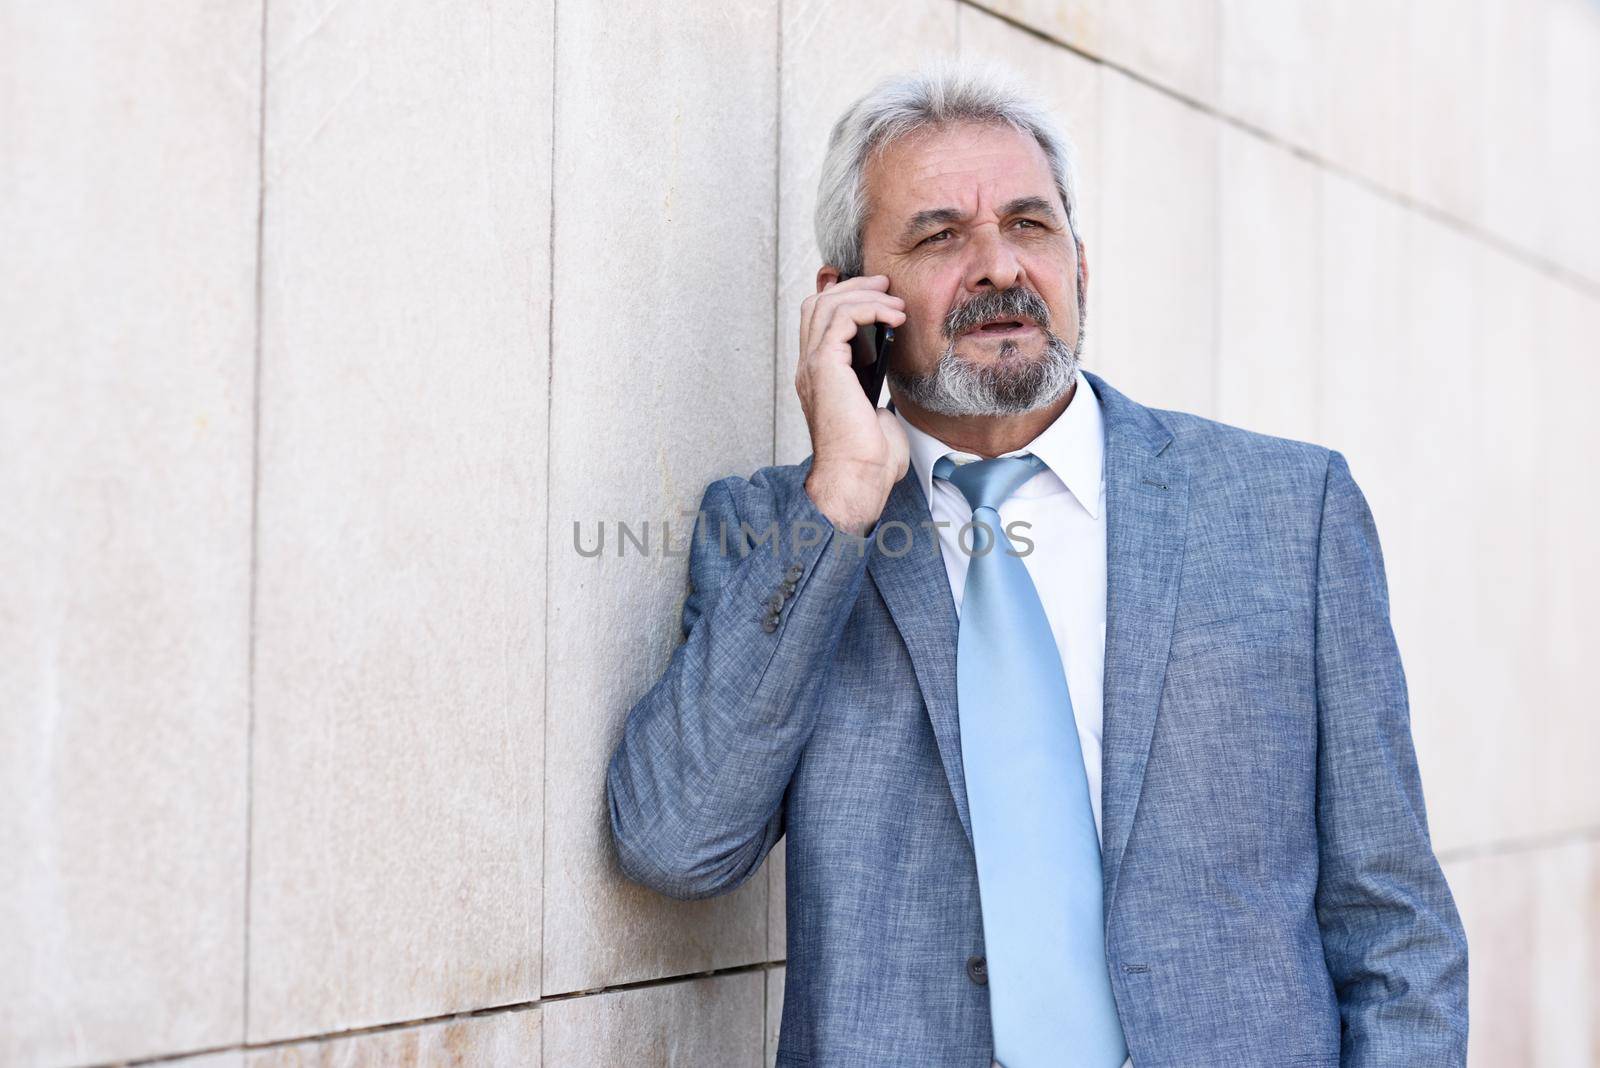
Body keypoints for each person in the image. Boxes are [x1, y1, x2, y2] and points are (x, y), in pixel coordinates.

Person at [605, 58, 1468, 1067]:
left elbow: (1393, 920)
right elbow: (676, 844)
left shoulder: (1288, 512)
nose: (1000, 267)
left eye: (1028, 225)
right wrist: (839, 496)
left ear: (1080, 264)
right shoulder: (775, 536)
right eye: (938, 236)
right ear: (848, 304)